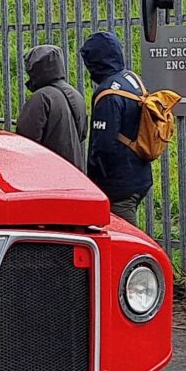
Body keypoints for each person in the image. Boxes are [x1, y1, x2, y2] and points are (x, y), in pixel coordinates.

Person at [80, 32, 155, 228]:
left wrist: (93, 179)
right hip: (139, 173)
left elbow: (104, 145)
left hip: (118, 184)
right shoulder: (131, 79)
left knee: (124, 238)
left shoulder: (108, 93)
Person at [14, 44, 88, 170]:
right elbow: (83, 134)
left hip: (48, 172)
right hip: (75, 172)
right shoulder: (77, 95)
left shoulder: (41, 97)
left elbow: (26, 141)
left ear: (35, 70)